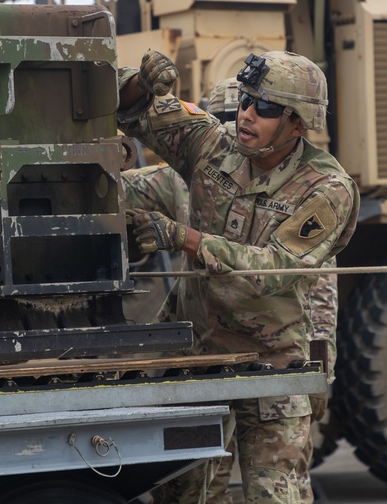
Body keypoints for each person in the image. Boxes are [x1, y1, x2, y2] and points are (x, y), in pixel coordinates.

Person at [118, 50, 360, 503]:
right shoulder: (211, 143)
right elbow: (129, 109)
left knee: (277, 497)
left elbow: (273, 271)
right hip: (197, 360)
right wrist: (141, 83)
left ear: (299, 124)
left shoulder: (327, 189)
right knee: (184, 497)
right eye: (246, 100)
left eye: (265, 108)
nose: (246, 115)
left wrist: (182, 237)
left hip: (272, 369)